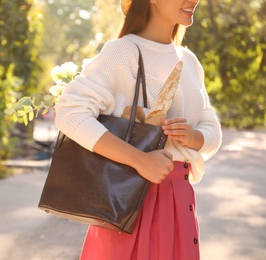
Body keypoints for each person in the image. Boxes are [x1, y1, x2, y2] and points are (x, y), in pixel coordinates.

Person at [54, 0, 222, 259]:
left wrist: (192, 137)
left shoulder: (189, 61)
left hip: (179, 200)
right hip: (132, 203)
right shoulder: (123, 52)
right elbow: (70, 114)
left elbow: (212, 130)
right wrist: (140, 161)